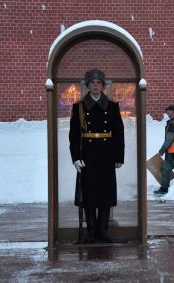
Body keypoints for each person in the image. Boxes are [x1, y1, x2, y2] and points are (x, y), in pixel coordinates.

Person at [69, 68, 124, 242]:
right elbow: (74, 134)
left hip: (106, 154)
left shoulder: (113, 106)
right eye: (92, 83)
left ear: (103, 86)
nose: (95, 85)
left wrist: (118, 156)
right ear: (88, 86)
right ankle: (91, 232)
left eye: (98, 82)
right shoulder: (79, 107)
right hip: (88, 155)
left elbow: (118, 132)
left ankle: (103, 232)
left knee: (105, 195)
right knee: (89, 195)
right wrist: (76, 158)